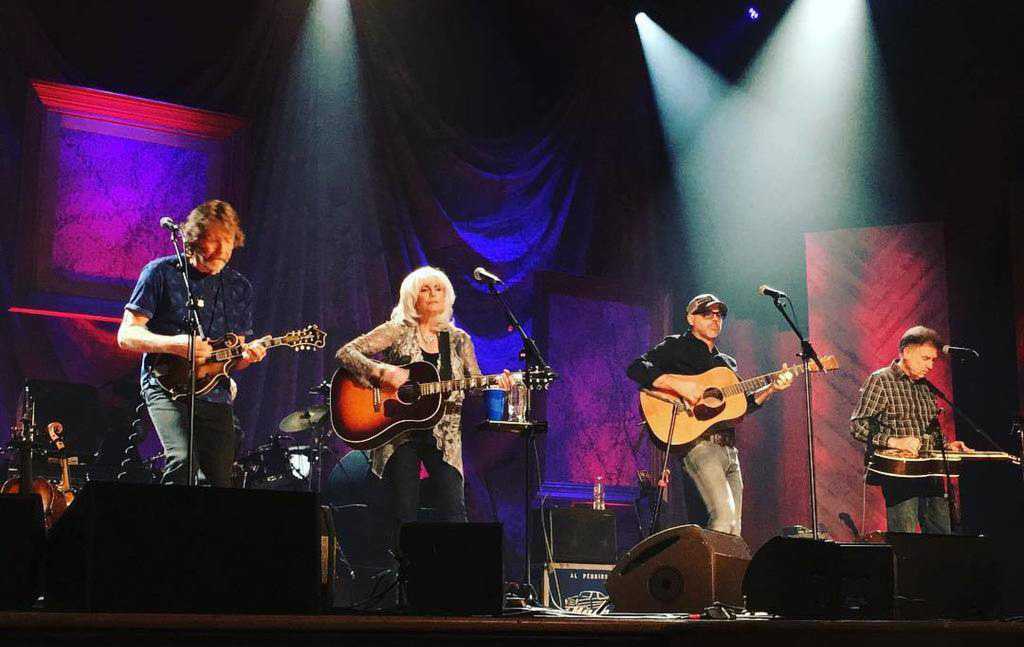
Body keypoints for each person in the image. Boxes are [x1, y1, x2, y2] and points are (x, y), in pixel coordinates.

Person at [336, 266, 510, 547]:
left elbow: (474, 384)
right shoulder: (398, 330)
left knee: (454, 511)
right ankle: (402, 582)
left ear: (448, 296)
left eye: (438, 289)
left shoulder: (458, 340)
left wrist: (495, 385)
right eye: (425, 289)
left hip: (445, 436)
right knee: (404, 512)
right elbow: (346, 352)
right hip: (399, 431)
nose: (432, 294)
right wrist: (382, 372)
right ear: (411, 296)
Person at [117, 199, 267, 486]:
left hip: (214, 394)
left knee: (222, 477)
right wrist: (175, 344)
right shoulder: (160, 272)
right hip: (165, 385)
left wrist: (247, 356)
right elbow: (127, 335)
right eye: (213, 240)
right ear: (193, 238)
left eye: (228, 241)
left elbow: (232, 358)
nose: (222, 250)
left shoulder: (238, 287)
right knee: (183, 461)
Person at [626, 293, 793, 535]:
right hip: (699, 446)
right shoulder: (675, 347)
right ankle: (709, 573)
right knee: (723, 519)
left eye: (719, 315)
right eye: (707, 314)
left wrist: (771, 388)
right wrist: (677, 384)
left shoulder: (726, 363)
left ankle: (724, 573)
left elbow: (741, 406)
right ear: (691, 318)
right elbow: (636, 368)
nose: (715, 320)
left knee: (734, 529)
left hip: (729, 451)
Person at [850, 325, 973, 534]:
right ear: (906, 352)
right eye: (926, 358)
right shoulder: (881, 380)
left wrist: (947, 446)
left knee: (942, 538)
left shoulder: (925, 387)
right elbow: (857, 426)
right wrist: (895, 442)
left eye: (933, 360)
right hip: (900, 474)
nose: (931, 366)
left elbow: (931, 429)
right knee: (905, 540)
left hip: (932, 473)